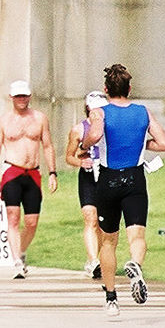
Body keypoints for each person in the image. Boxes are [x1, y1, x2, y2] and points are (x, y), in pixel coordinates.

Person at [83, 63, 165, 317]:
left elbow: (96, 135)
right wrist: (142, 144)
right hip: (135, 179)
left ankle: (111, 298)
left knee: (109, 240)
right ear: (129, 88)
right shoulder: (143, 112)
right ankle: (135, 264)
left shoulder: (99, 112)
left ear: (106, 89)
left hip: (108, 179)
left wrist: (86, 142)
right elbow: (164, 144)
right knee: (137, 235)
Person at [0, 79, 58, 278]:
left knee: (32, 222)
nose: (22, 100)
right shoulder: (3, 121)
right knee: (13, 217)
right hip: (12, 171)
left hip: (33, 172)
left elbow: (48, 145)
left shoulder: (40, 118)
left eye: (24, 96)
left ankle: (22, 251)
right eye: (18, 96)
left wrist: (52, 172)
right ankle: (16, 260)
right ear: (11, 97)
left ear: (29, 96)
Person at [65, 91, 108, 277]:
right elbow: (69, 156)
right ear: (88, 108)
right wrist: (81, 162)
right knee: (90, 217)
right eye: (94, 108)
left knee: (102, 222)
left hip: (107, 173)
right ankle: (92, 261)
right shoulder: (79, 130)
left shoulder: (110, 127)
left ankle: (99, 258)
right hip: (88, 176)